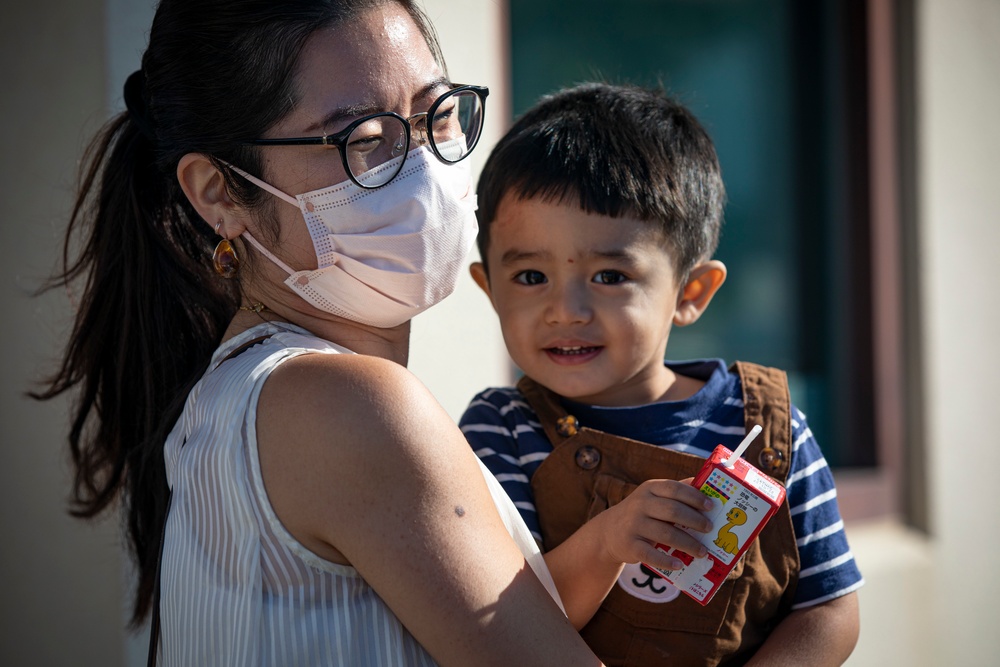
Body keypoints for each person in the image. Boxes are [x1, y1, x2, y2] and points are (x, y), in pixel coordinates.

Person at [33, 1, 605, 665]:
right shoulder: (346, 405)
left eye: (436, 114)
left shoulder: (229, 399)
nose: (422, 169)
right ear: (217, 191)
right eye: (363, 138)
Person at [460, 82, 863, 666]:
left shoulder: (769, 431)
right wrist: (604, 545)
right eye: (529, 278)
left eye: (609, 277)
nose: (566, 310)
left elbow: (829, 609)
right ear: (489, 288)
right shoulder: (501, 431)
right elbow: (496, 627)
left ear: (690, 292)